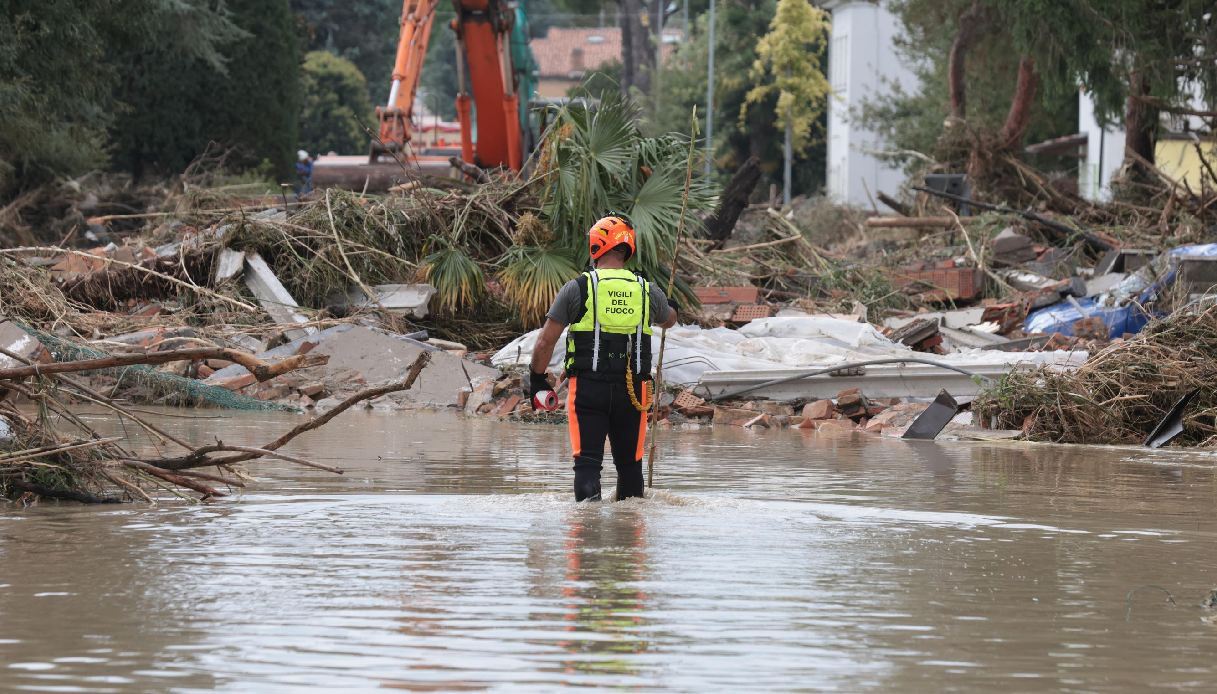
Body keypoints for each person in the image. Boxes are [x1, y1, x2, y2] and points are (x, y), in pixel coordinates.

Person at [528, 214, 678, 502]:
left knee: (587, 466)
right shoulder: (647, 289)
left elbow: (546, 341)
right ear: (628, 248)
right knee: (630, 467)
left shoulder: (579, 287)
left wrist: (536, 378)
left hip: (588, 390)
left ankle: (585, 535)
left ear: (595, 246)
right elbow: (669, 319)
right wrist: (670, 306)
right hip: (634, 392)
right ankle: (631, 538)